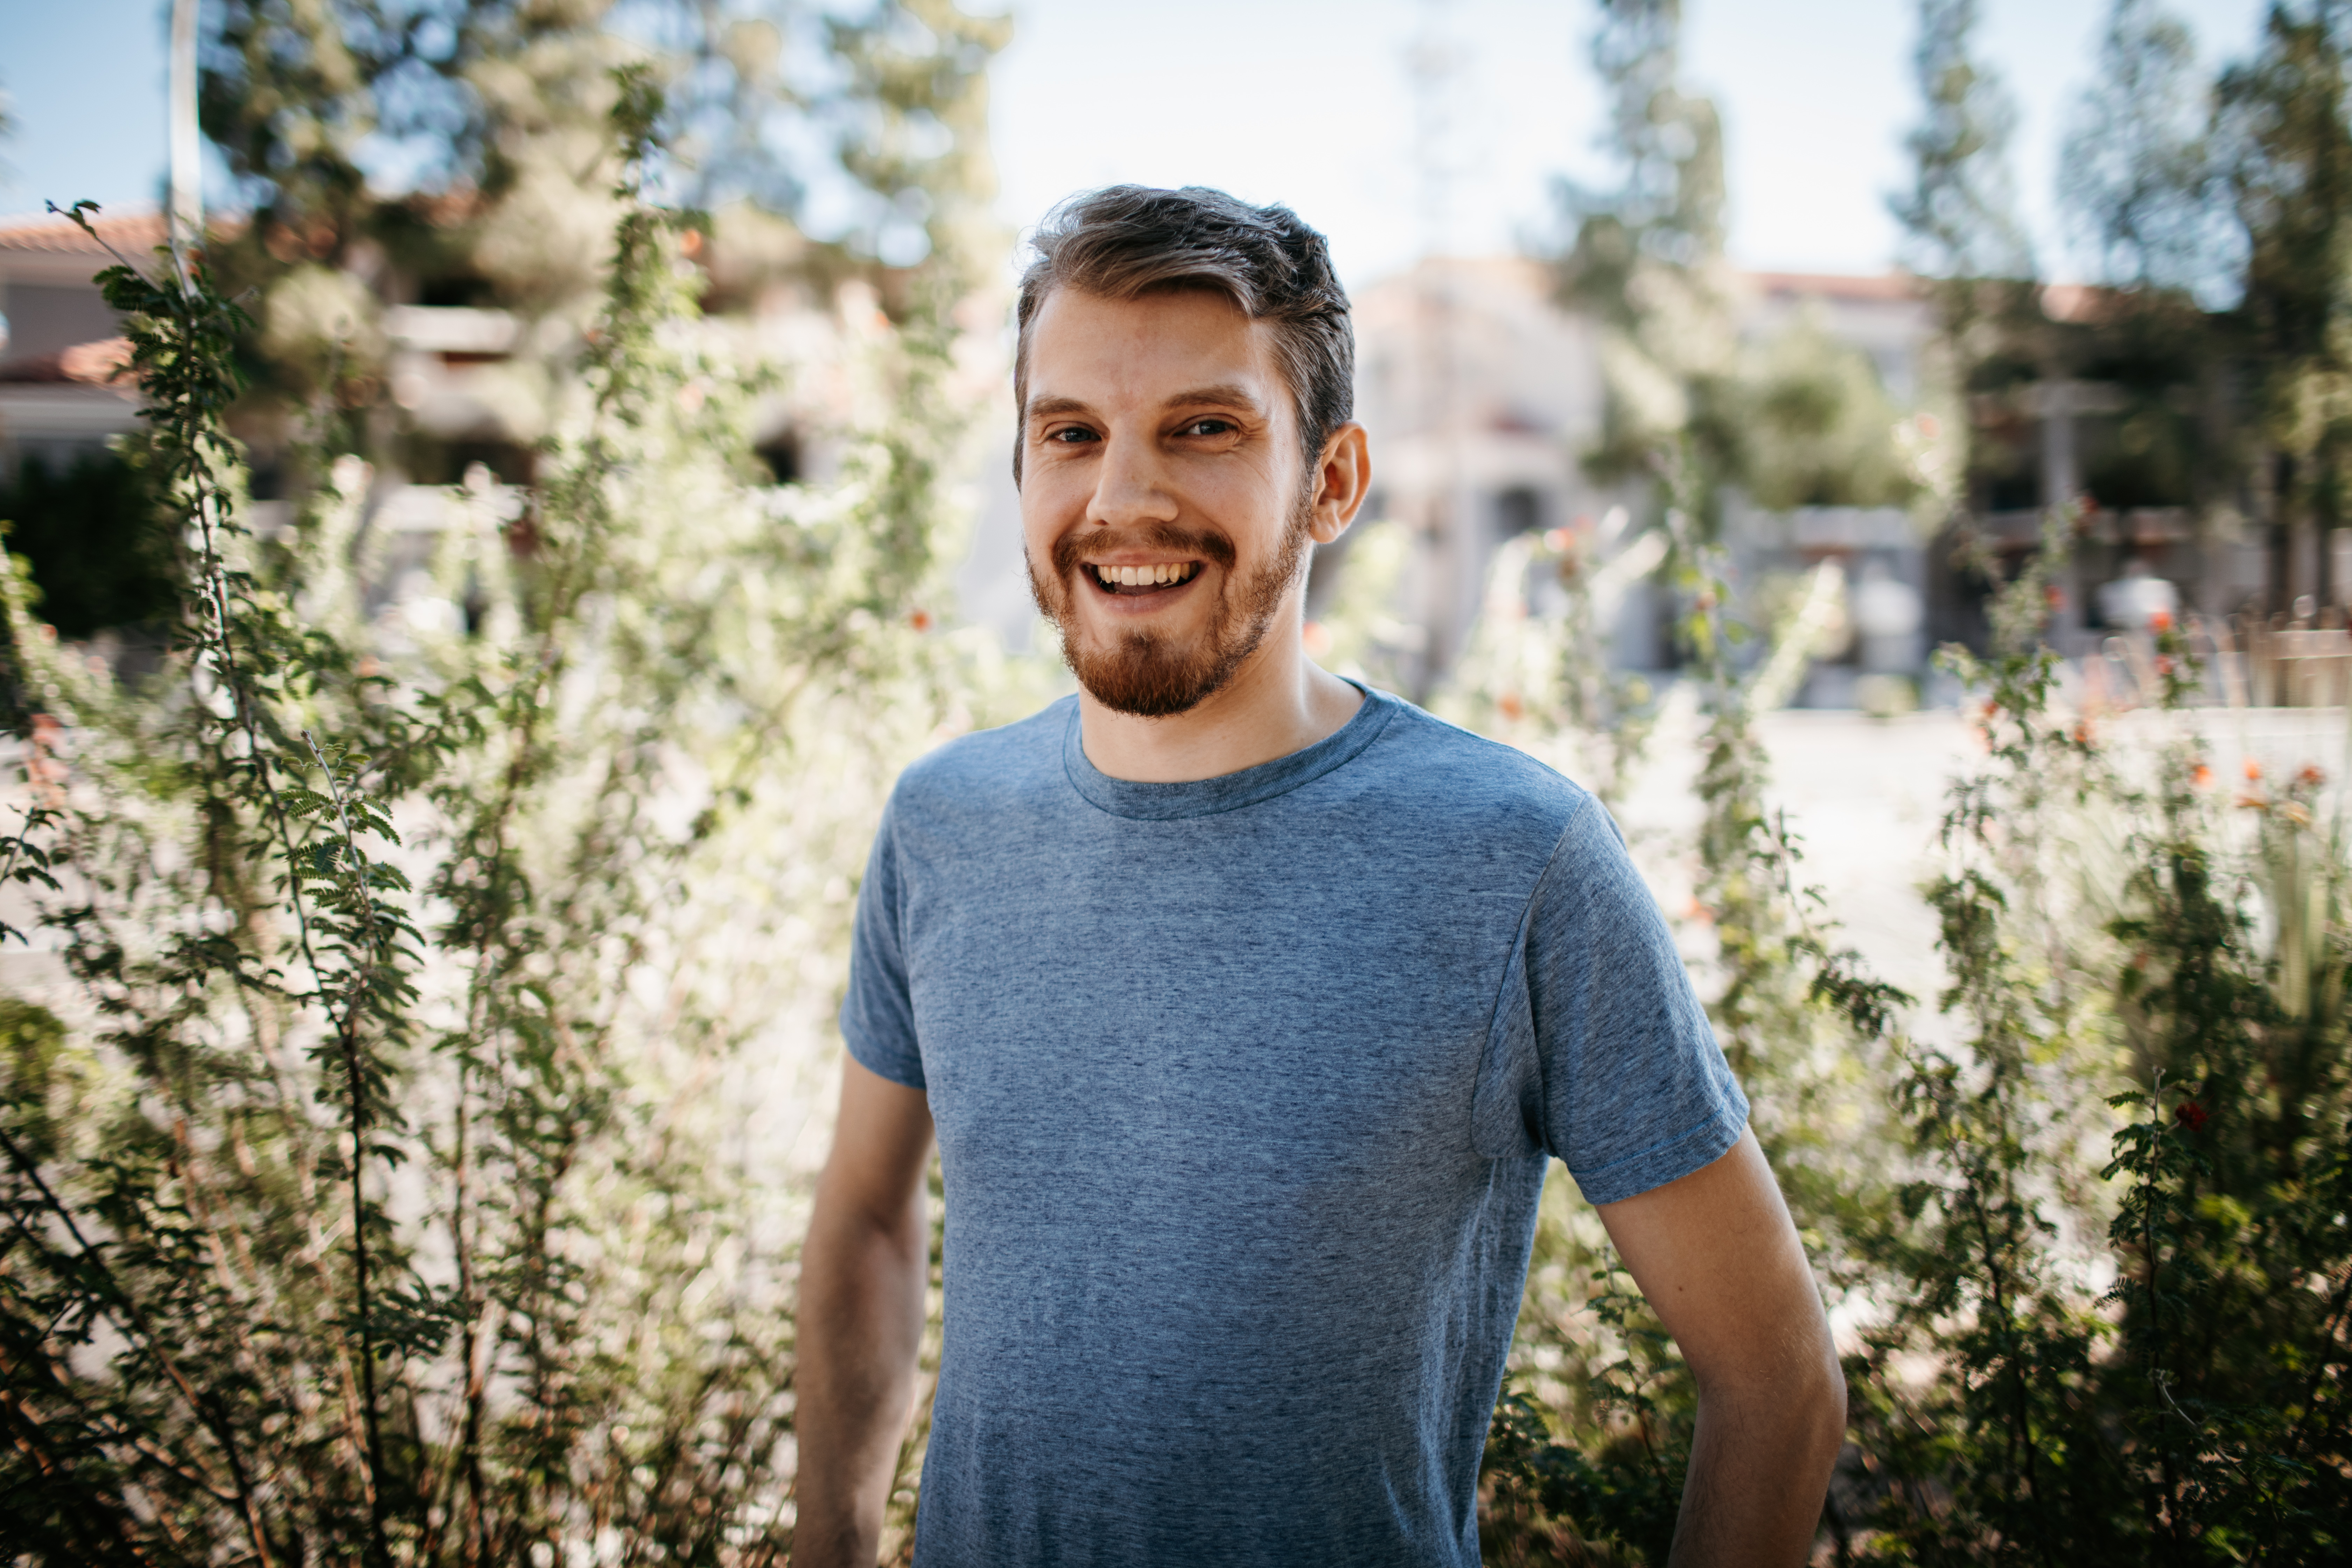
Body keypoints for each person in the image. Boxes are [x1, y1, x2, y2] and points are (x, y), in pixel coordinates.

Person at [793, 186, 1845, 1568]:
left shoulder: (1510, 858)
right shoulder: (944, 824)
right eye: (1071, 434)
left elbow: (1777, 1382)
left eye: (1205, 428)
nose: (1121, 499)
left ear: (1333, 482)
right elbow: (867, 1215)